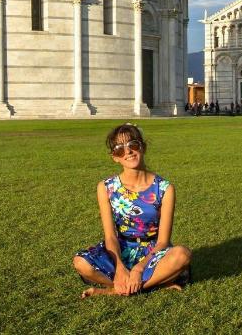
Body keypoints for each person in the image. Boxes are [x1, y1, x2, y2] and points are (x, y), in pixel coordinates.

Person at [73, 123, 192, 298]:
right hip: (120, 249)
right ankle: (153, 283)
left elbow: (163, 242)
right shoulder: (106, 187)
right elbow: (110, 236)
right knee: (81, 263)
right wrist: (120, 266)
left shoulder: (164, 188)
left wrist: (138, 268)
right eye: (120, 149)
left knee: (182, 255)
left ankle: (115, 290)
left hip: (153, 252)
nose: (128, 151)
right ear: (115, 157)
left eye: (133, 145)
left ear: (143, 147)